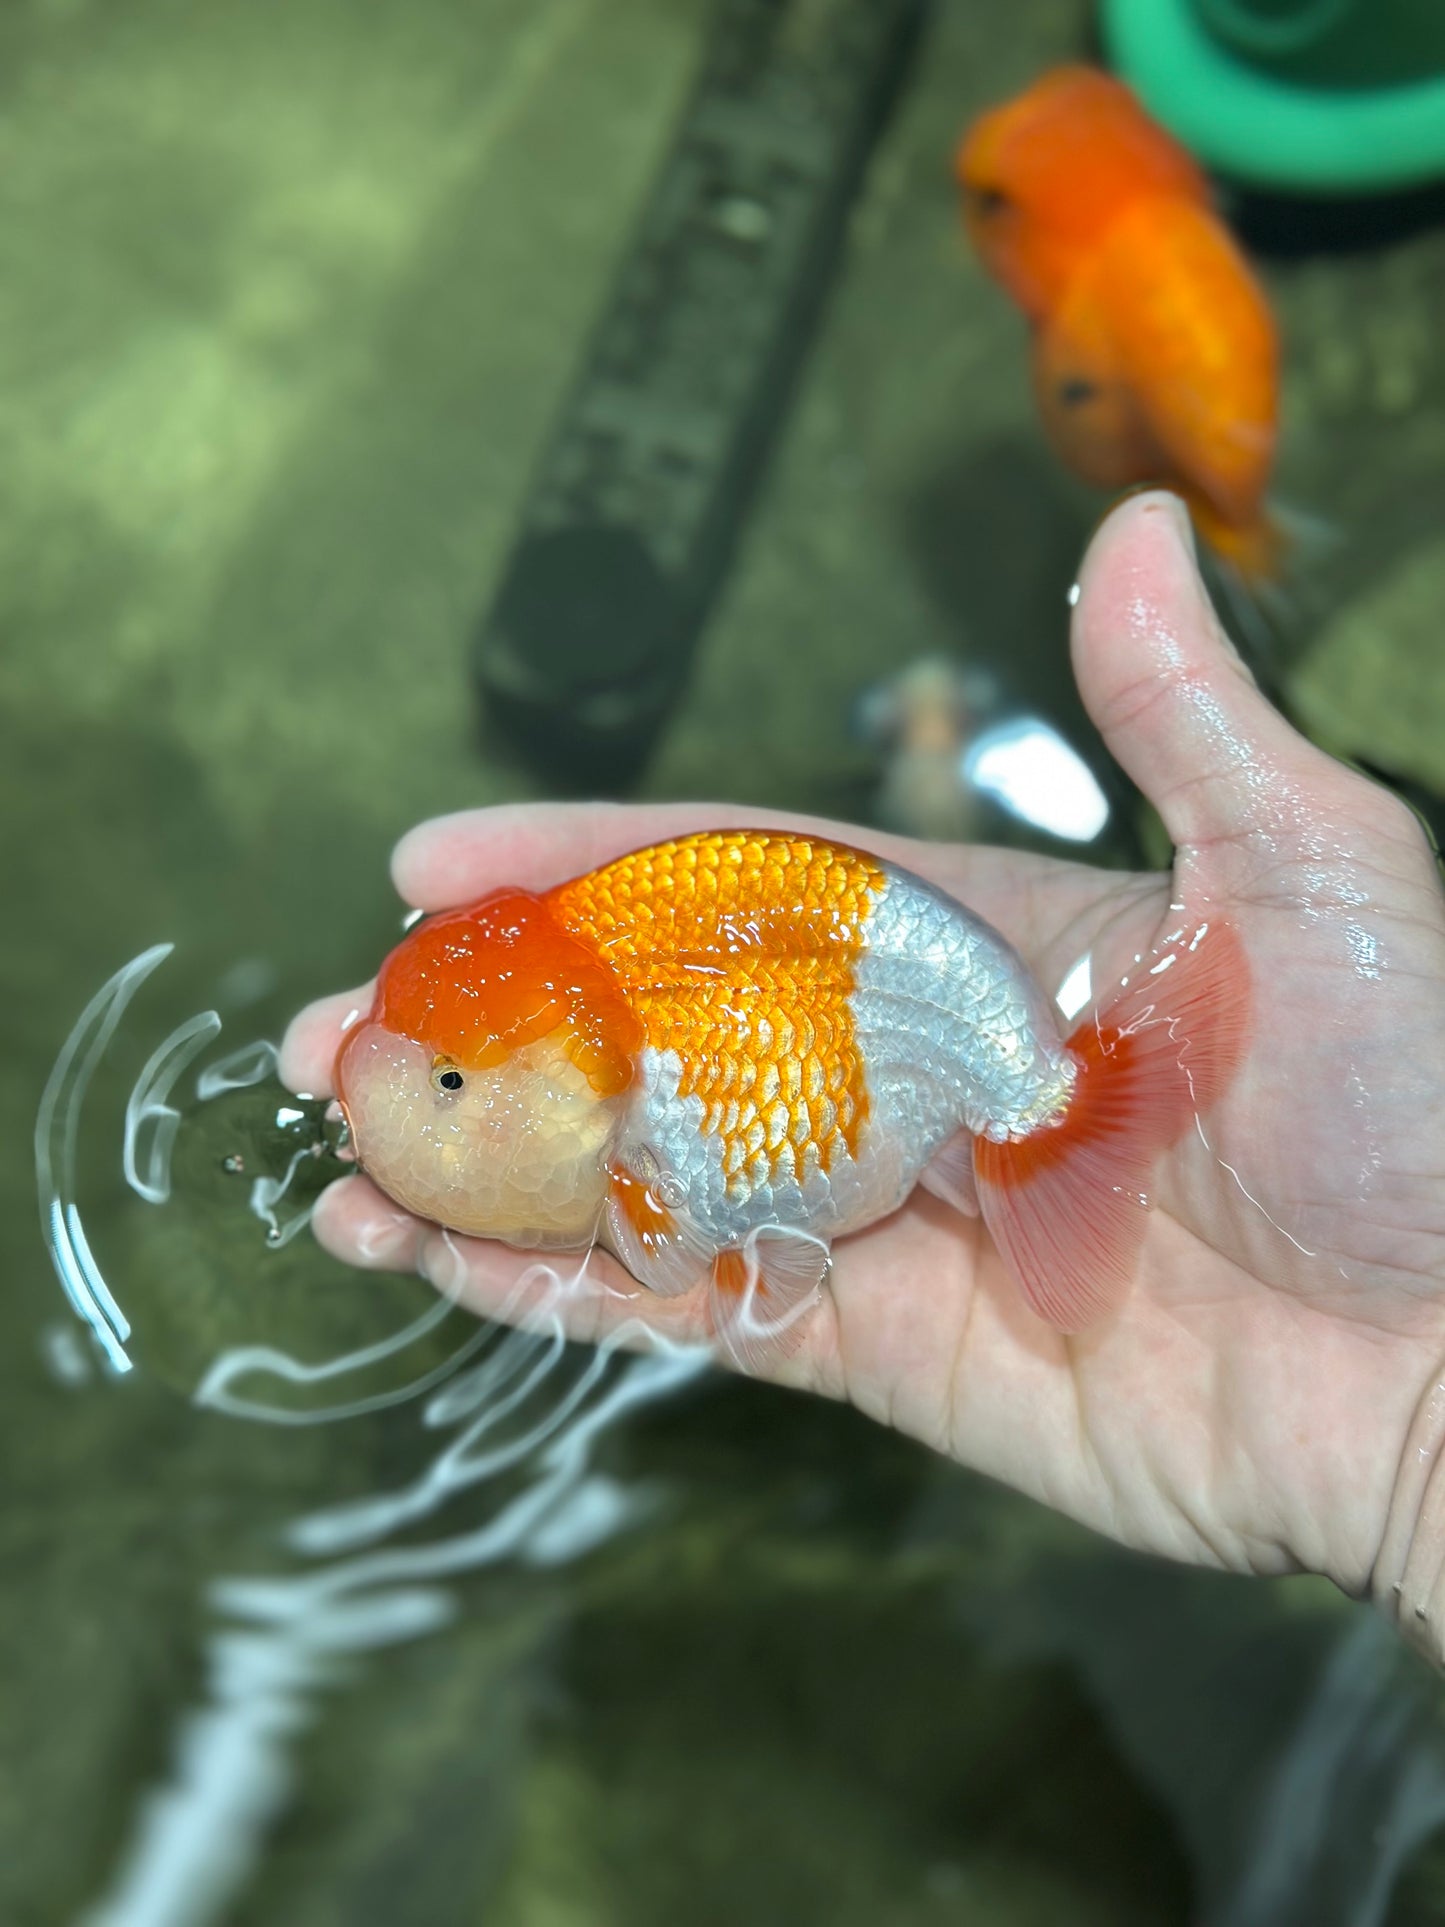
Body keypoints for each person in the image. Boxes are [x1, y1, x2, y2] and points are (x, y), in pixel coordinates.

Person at [281, 491, 1445, 1664]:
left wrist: (1414, 1443)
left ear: (577, 1080)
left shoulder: (631, 1116)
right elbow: (709, 1255)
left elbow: (678, 1251)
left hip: (941, 1042)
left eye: (447, 1088)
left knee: (996, 1111)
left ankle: (1072, 1130)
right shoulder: (602, 1059)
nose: (424, 1108)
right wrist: (1404, 1467)